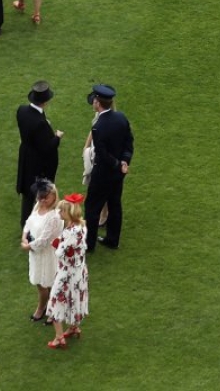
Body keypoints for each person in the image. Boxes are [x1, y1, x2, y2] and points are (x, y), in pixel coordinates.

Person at [83, 84, 133, 249]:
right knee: (115, 205)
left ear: (97, 102)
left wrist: (118, 164)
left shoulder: (98, 126)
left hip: (103, 174)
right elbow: (129, 143)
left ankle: (89, 244)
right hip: (118, 174)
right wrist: (124, 161)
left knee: (92, 208)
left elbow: (102, 155)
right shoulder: (122, 118)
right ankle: (112, 240)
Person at [45, 193, 89, 348]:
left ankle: (58, 337)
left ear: (68, 212)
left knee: (56, 300)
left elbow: (60, 252)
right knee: (76, 298)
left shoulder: (68, 232)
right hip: (80, 271)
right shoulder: (82, 227)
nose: (60, 213)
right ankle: (73, 327)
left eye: (62, 211)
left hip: (67, 273)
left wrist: (56, 243)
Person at [16, 82, 63, 224]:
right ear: (46, 101)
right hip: (38, 162)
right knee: (40, 193)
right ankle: (39, 224)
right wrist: (57, 137)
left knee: (27, 194)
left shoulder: (21, 110)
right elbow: (47, 147)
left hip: (25, 156)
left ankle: (24, 222)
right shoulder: (40, 123)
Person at [22, 181, 62, 323]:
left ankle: (48, 309)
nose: (43, 200)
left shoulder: (54, 216)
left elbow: (44, 240)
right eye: (41, 197)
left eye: (47, 197)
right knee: (40, 283)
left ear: (53, 196)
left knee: (49, 283)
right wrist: (24, 237)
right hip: (36, 253)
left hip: (48, 254)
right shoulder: (37, 207)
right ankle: (46, 307)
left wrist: (27, 246)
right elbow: (28, 223)